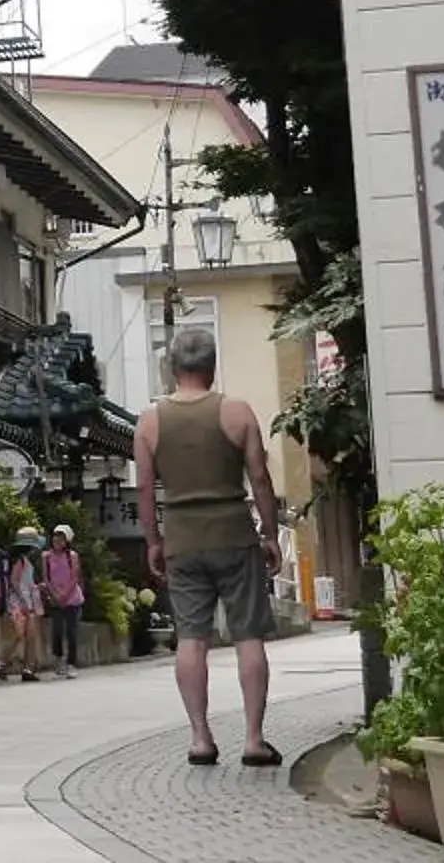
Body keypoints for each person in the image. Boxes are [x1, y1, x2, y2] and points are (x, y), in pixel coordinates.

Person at [137, 325, 285, 767]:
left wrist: (153, 541)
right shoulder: (237, 413)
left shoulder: (149, 422)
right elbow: (259, 478)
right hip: (235, 537)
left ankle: (200, 737)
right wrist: (271, 534)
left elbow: (145, 490)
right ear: (212, 365)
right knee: (247, 636)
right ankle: (254, 739)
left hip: (182, 541)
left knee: (191, 638)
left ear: (171, 368)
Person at [0, 523, 47, 681]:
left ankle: (26, 668)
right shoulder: (20, 561)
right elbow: (14, 582)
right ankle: (4, 663)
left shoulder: (23, 560)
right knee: (21, 635)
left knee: (27, 636)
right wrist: (24, 602)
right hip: (21, 602)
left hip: (25, 600)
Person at [41, 524, 87, 678]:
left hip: (72, 599)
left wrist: (65, 595)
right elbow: (46, 578)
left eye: (61, 539)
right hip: (55, 599)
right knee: (57, 631)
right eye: (55, 538)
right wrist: (54, 595)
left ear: (67, 541)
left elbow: (75, 578)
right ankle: (59, 659)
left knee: (71, 632)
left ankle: (72, 664)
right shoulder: (46, 556)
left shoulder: (72, 556)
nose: (57, 541)